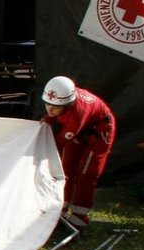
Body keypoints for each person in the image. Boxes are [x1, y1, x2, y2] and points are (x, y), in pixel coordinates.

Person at [40, 75, 116, 226]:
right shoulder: (62, 99)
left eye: (55, 107)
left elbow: (59, 143)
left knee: (87, 174)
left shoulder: (77, 114)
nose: (50, 109)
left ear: (67, 104)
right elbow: (51, 117)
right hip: (80, 131)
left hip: (99, 133)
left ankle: (79, 218)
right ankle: (59, 209)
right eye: (47, 104)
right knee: (65, 169)